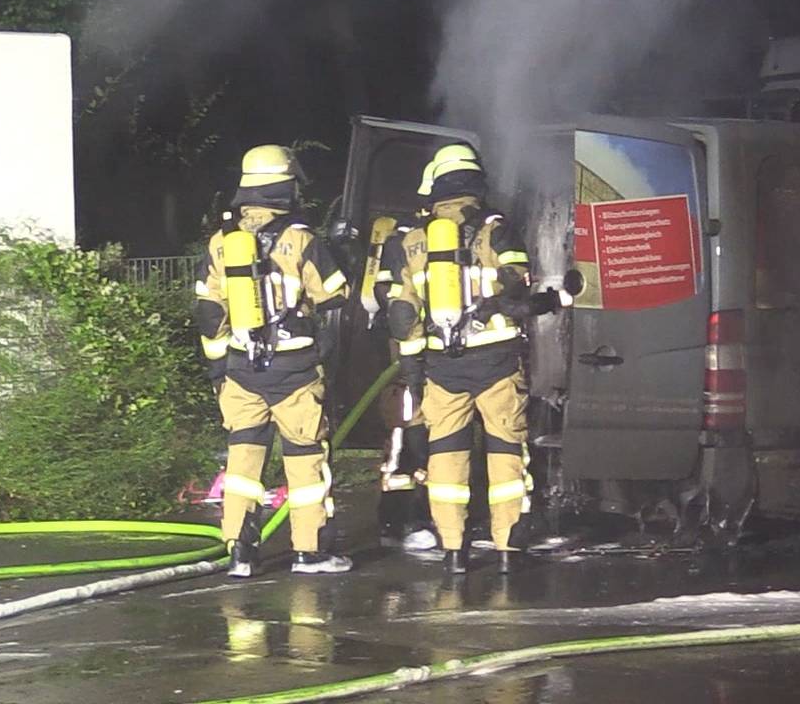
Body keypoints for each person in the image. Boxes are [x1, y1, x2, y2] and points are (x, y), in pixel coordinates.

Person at [194, 145, 353, 577]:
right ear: (286, 187)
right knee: (304, 459)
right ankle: (310, 552)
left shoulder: (221, 244)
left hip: (240, 371)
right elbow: (335, 293)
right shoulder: (300, 239)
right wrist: (339, 253)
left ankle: (240, 553)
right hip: (294, 371)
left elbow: (209, 315)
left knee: (243, 461)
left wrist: (217, 370)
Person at [385, 143, 543, 574]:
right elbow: (518, 281)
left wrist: (415, 374)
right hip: (496, 363)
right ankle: (508, 548)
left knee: (447, 457)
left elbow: (403, 317)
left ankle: (454, 551)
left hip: (442, 369)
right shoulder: (497, 230)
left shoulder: (413, 242)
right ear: (477, 185)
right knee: (505, 452)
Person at [370, 218, 439, 551]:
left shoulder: (409, 243)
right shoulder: (402, 243)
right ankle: (403, 520)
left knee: (429, 439)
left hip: (432, 361)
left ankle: (414, 518)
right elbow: (383, 295)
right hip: (411, 360)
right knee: (409, 438)